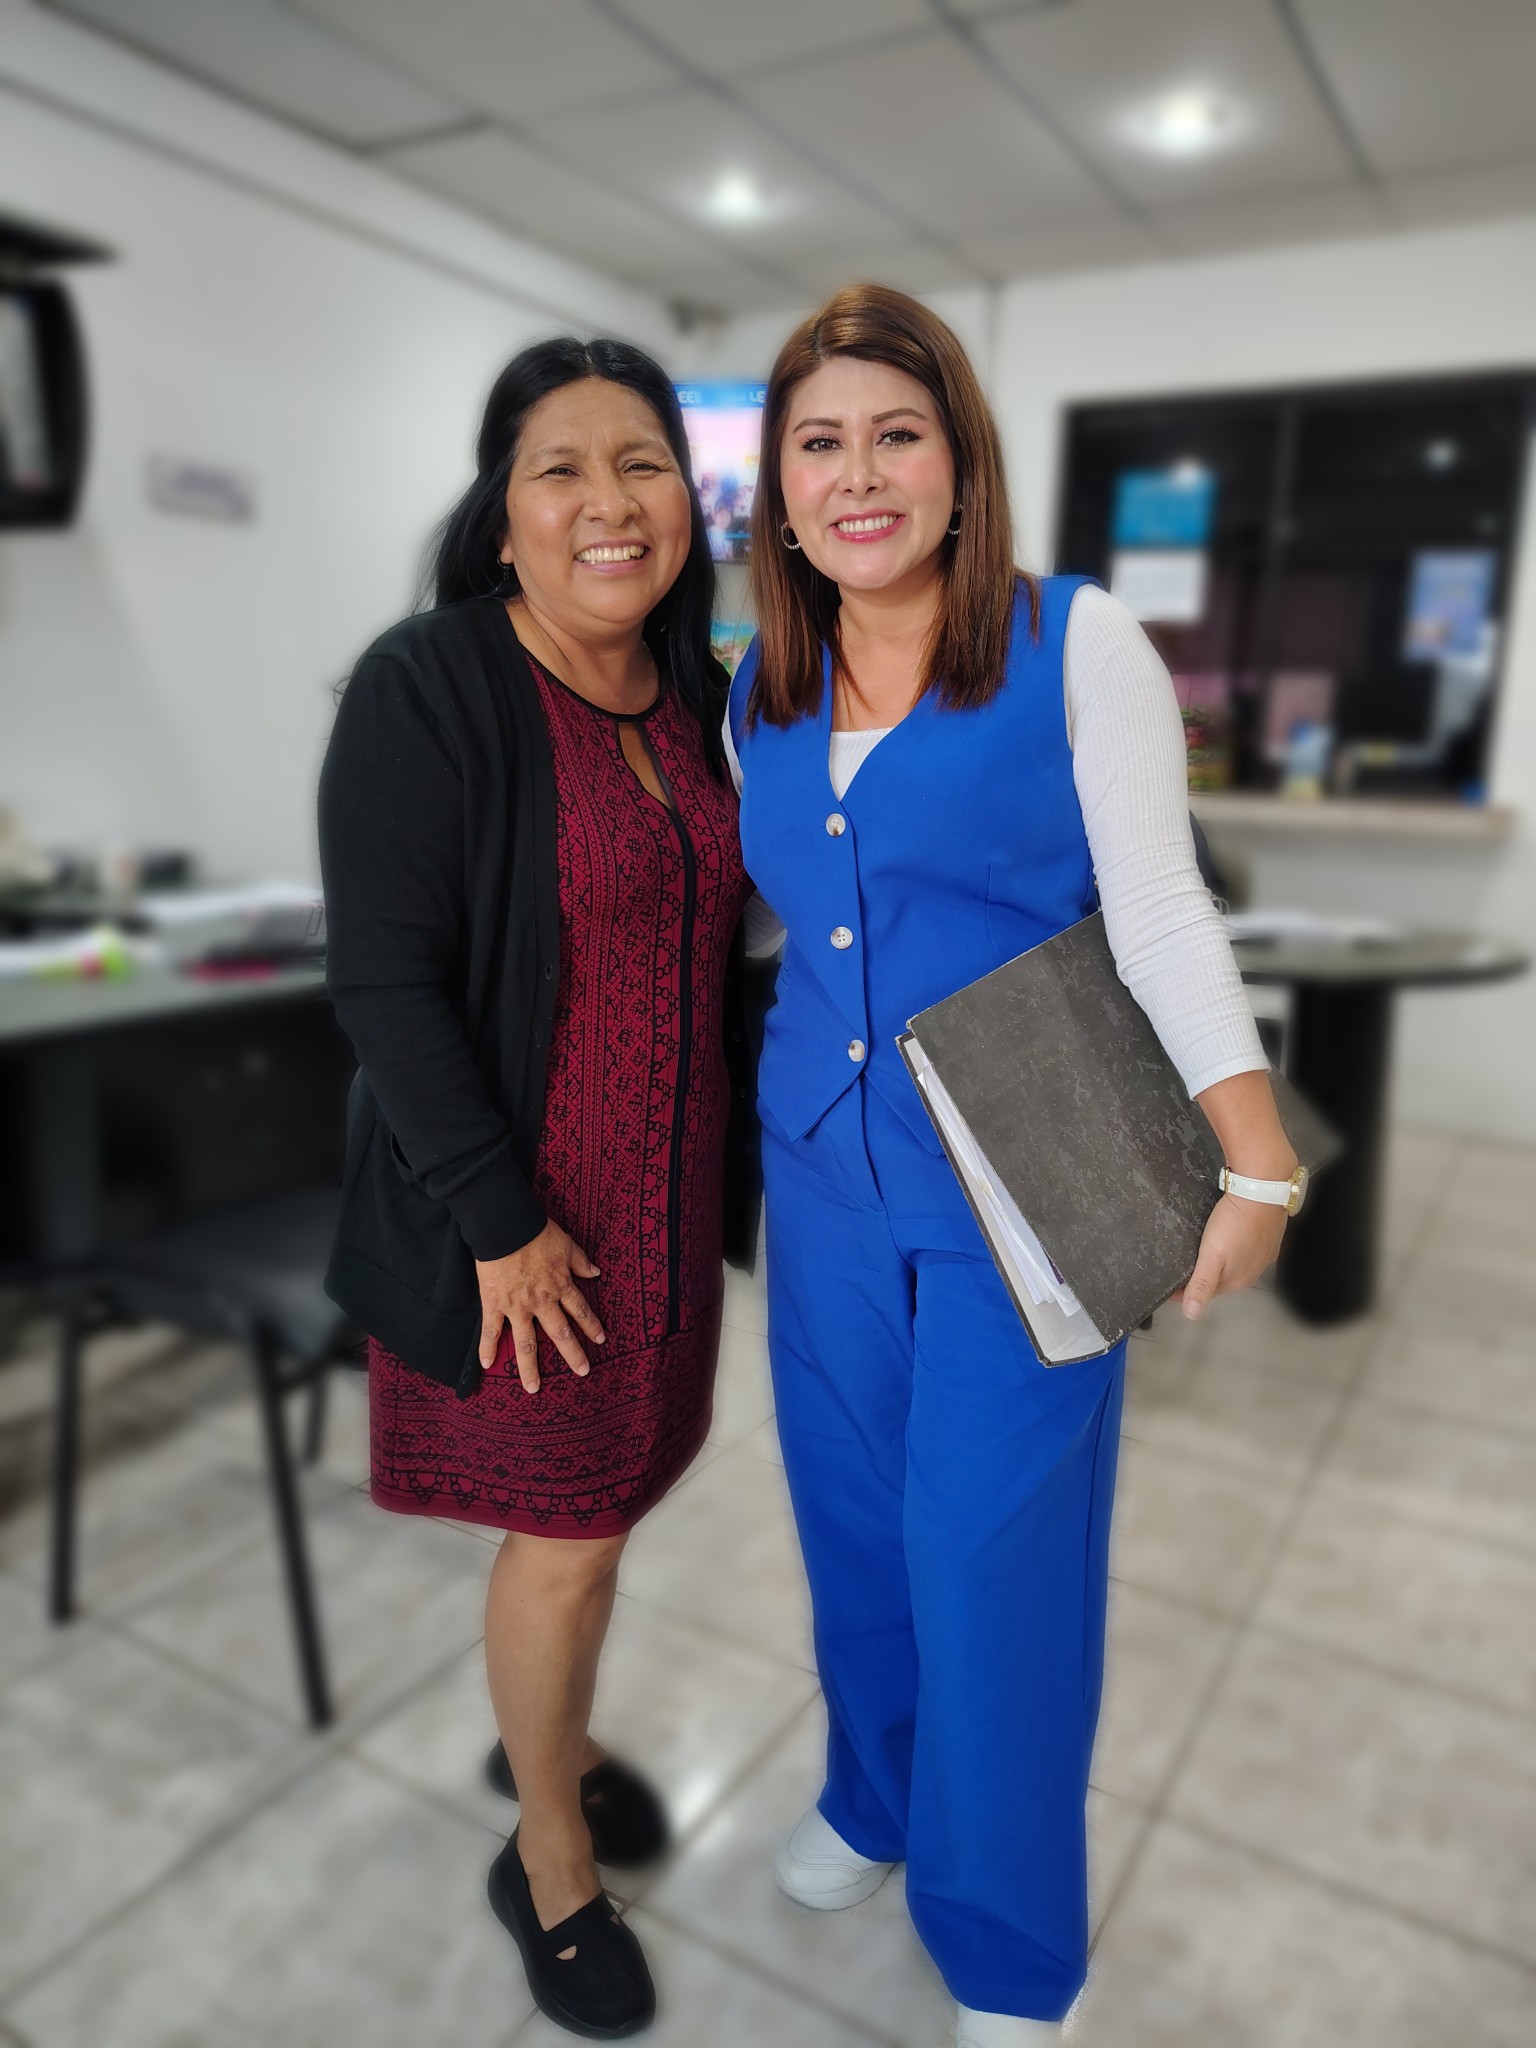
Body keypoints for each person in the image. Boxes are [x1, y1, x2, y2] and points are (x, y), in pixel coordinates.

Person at [725, 285, 1299, 2048]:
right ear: (781, 491)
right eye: (821, 443)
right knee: (851, 1529)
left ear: (962, 465)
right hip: (822, 1184)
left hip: (1028, 1186)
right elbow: (791, 920)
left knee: (992, 1563)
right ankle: (875, 1798)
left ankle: (1006, 1944)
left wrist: (1258, 1164)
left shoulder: (1077, 643)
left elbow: (1162, 910)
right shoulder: (761, 685)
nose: (858, 475)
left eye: (897, 434)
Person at [319, 337, 756, 2040]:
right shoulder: (432, 682)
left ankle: (547, 1743)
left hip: (664, 1212)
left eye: (640, 462)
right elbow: (385, 983)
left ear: (688, 502)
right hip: (525, 1225)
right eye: (558, 468)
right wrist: (500, 1223)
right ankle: (550, 1861)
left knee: (604, 1516)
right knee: (565, 1542)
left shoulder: (699, 691)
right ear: (503, 516)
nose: (606, 500)